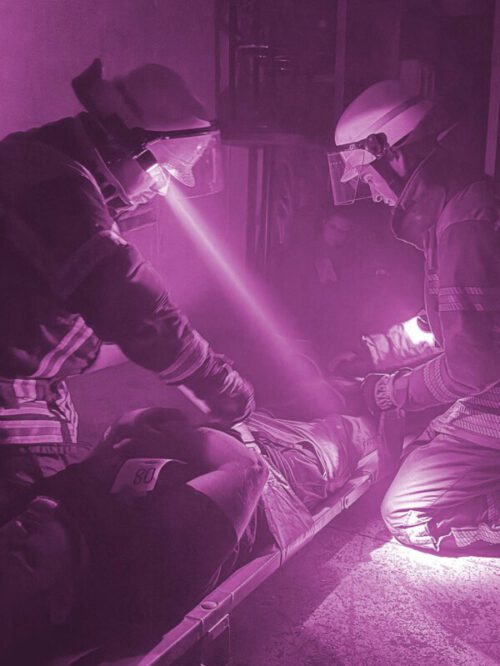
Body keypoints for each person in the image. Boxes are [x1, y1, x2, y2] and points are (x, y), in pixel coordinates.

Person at [0, 58, 254, 518]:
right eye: (160, 170)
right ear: (124, 142)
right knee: (37, 538)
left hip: (27, 400)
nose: (159, 188)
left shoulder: (44, 161)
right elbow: (133, 304)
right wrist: (217, 381)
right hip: (13, 422)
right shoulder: (58, 187)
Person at [329, 79, 500, 553]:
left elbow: (474, 367)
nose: (369, 189)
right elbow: (442, 325)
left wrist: (389, 392)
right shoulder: (462, 206)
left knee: (406, 512)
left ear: (394, 157)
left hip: (494, 397)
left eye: (367, 175)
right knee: (424, 444)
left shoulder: (465, 225)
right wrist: (373, 354)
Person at [0, 407, 268, 662]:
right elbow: (250, 468)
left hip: (205, 451)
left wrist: (135, 425)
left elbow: (107, 447)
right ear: (62, 599)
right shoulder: (148, 562)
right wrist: (184, 437)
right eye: (26, 554)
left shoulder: (35, 523)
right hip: (269, 482)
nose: (15, 528)